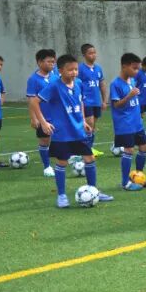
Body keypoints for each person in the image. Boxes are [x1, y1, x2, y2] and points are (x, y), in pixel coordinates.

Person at [35, 54, 113, 207]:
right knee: (62, 162)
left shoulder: (78, 83)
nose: (74, 72)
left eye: (76, 69)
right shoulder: (54, 86)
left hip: (78, 132)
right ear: (60, 71)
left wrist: (83, 120)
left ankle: (93, 190)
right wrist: (43, 122)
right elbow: (34, 102)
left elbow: (80, 102)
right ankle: (61, 195)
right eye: (70, 70)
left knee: (90, 159)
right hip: (62, 134)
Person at [109, 53, 146, 190]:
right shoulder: (115, 84)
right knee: (129, 150)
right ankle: (125, 183)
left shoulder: (131, 81)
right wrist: (129, 96)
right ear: (124, 66)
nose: (137, 71)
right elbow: (116, 105)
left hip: (136, 123)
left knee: (144, 147)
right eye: (134, 68)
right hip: (124, 123)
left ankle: (138, 177)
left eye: (138, 68)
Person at [25, 49, 58, 176]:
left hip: (57, 115)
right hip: (43, 116)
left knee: (62, 137)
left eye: (53, 62)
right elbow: (31, 100)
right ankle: (47, 167)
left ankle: (66, 159)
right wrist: (34, 118)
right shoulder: (33, 79)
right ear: (39, 62)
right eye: (49, 61)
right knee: (45, 140)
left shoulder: (55, 77)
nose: (52, 64)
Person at [78, 43, 107, 157]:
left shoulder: (98, 68)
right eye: (90, 53)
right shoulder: (80, 69)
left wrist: (104, 100)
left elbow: (102, 84)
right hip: (86, 102)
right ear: (84, 55)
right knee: (88, 124)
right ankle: (84, 150)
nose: (93, 55)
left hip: (96, 101)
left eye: (94, 53)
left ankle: (90, 148)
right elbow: (76, 84)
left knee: (93, 126)